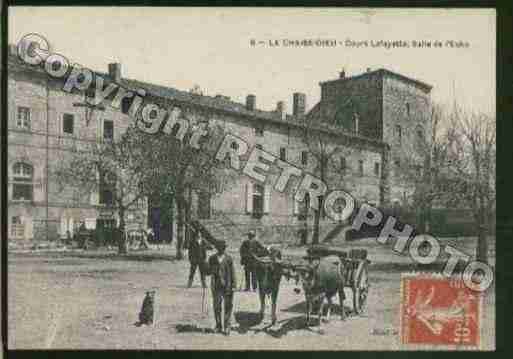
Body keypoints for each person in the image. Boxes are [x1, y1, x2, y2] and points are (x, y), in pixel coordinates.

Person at [205, 240, 236, 335]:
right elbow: (208, 272)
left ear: (224, 248)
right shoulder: (212, 258)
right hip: (216, 286)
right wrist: (205, 266)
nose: (221, 249)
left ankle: (227, 327)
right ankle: (218, 326)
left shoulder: (229, 259)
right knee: (217, 306)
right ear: (217, 248)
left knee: (228, 306)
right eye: (219, 248)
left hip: (227, 286)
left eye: (223, 248)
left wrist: (233, 285)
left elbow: (233, 273)